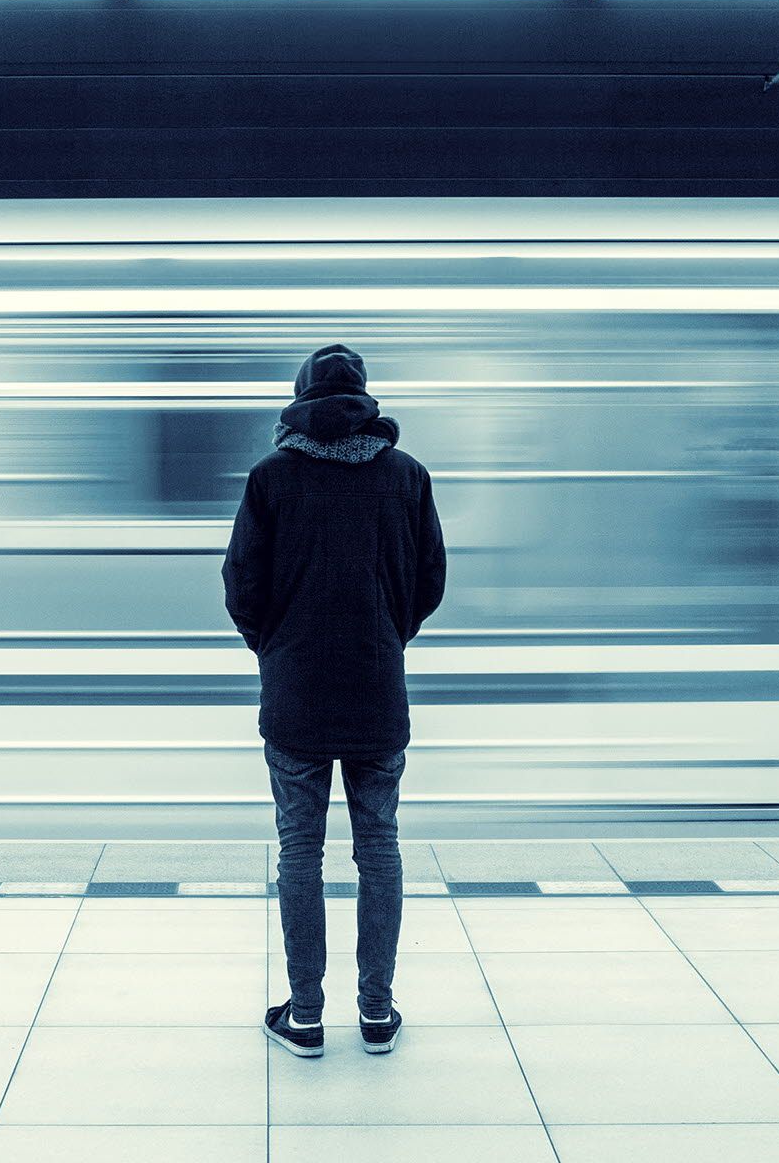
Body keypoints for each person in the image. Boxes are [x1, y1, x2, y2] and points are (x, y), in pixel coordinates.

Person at [222, 344, 445, 1058]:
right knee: (379, 847)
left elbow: (240, 585)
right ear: (365, 402)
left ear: (299, 400)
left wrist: (277, 647)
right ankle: (377, 1013)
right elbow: (430, 581)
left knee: (301, 850)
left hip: (295, 696)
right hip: (378, 687)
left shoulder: (271, 478)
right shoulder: (407, 477)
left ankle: (308, 1015)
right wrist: (386, 633)